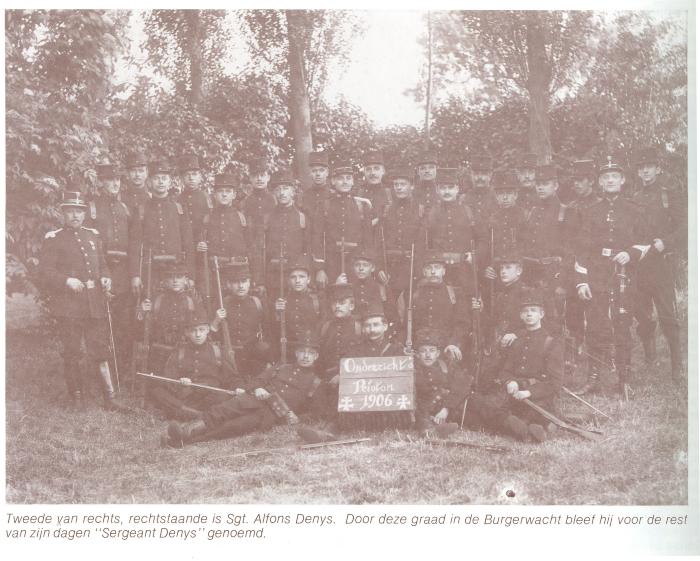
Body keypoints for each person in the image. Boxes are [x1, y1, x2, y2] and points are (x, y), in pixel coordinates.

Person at [164, 329, 323, 447]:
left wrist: (298, 418)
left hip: (268, 415)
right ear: (296, 353)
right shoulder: (280, 367)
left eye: (310, 353)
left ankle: (187, 442)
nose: (306, 356)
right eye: (302, 352)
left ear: (316, 356)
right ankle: (187, 431)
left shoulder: (315, 382)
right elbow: (255, 381)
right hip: (251, 400)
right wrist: (258, 388)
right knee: (222, 411)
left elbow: (316, 412)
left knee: (232, 427)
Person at [38, 191, 122, 410]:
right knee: (73, 350)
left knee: (100, 348)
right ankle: (76, 397)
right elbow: (44, 272)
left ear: (84, 214)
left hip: (94, 303)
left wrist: (106, 277)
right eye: (70, 211)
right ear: (63, 213)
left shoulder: (93, 235)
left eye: (79, 211)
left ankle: (110, 397)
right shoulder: (53, 238)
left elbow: (102, 264)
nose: (75, 215)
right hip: (69, 305)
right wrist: (66, 280)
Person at [575, 156, 648, 396]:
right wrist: (582, 280)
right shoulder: (589, 211)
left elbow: (646, 242)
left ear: (622, 180)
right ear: (599, 182)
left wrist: (630, 253)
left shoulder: (635, 209)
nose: (610, 180)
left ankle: (623, 379)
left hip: (625, 274)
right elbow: (581, 247)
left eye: (614, 176)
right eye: (605, 177)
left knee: (622, 323)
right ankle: (594, 377)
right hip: (597, 272)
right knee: (594, 325)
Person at [467, 290, 563, 443]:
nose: (529, 314)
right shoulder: (516, 340)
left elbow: (555, 383)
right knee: (486, 406)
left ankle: (527, 428)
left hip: (536, 397)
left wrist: (529, 393)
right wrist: (509, 381)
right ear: (520, 316)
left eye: (533, 311)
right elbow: (505, 370)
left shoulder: (551, 343)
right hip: (513, 393)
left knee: (533, 412)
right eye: (525, 311)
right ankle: (524, 429)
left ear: (542, 314)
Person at [631, 147, 685, 380]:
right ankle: (650, 358)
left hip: (662, 264)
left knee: (668, 317)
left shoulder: (669, 194)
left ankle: (677, 366)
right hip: (641, 265)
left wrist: (666, 243)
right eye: (641, 167)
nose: (645, 171)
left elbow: (686, 226)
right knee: (642, 315)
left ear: (657, 169)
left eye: (649, 167)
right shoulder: (634, 196)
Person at [148, 305, 243, 421]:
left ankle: (184, 413)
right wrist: (180, 382)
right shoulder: (179, 352)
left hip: (209, 397)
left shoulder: (218, 351)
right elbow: (169, 378)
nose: (198, 335)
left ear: (208, 330)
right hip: (186, 397)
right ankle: (200, 416)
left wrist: (238, 387)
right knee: (157, 391)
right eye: (193, 331)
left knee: (223, 396)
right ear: (187, 332)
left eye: (201, 330)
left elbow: (232, 378)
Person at [87, 163, 134, 374]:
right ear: (100, 183)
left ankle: (121, 369)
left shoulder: (125, 208)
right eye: (109, 180)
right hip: (101, 270)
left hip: (123, 271)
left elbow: (133, 243)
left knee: (123, 321)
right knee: (101, 322)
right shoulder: (92, 209)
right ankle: (101, 370)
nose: (114, 184)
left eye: (117, 180)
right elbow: (89, 244)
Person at [519, 164, 572, 332]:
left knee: (555, 319)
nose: (540, 187)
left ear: (555, 185)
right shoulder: (533, 211)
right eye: (538, 183)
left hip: (554, 274)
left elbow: (570, 252)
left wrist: (562, 281)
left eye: (545, 183)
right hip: (533, 274)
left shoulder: (564, 212)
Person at [129, 158, 195, 293]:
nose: (160, 182)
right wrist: (135, 275)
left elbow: (188, 244)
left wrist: (191, 275)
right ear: (149, 182)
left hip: (175, 270)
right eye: (156, 178)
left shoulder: (179, 209)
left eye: (164, 178)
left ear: (170, 182)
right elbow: (135, 244)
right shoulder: (141, 210)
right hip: (150, 272)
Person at [396, 251, 470, 362]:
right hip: (417, 350)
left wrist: (454, 344)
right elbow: (403, 324)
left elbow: (462, 323)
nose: (433, 271)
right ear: (424, 272)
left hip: (446, 348)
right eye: (429, 268)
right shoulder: (412, 294)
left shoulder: (454, 294)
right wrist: (403, 346)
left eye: (437, 267)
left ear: (444, 271)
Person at [311, 161, 375, 288]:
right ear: (333, 181)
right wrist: (320, 269)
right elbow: (317, 238)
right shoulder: (324, 205)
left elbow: (368, 240)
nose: (345, 182)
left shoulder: (362, 205)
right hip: (331, 261)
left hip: (356, 263)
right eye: (340, 179)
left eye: (348, 178)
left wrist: (367, 266)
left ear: (352, 182)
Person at [137, 261, 205, 376]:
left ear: (185, 279)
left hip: (185, 354)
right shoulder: (157, 300)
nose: (175, 281)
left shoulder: (193, 301)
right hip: (160, 354)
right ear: (165, 280)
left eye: (179, 277)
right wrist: (142, 313)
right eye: (171, 277)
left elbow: (202, 327)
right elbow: (141, 332)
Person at [197, 172, 251, 308]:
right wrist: (200, 246)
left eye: (228, 191)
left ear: (234, 195)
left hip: (237, 272)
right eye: (220, 191)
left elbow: (250, 247)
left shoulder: (241, 218)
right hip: (213, 272)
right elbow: (198, 247)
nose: (224, 195)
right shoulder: (207, 218)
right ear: (214, 195)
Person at [424, 167, 481, 293]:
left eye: (450, 188)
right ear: (437, 190)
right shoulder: (431, 213)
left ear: (457, 189)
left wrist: (474, 255)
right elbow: (424, 242)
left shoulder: (469, 211)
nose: (447, 191)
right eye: (443, 188)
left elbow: (482, 239)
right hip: (438, 272)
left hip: (464, 270)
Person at [211, 261, 269, 381]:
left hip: (253, 357)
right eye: (235, 282)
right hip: (228, 357)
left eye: (244, 281)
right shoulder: (222, 303)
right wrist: (216, 321)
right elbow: (212, 336)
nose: (241, 286)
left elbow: (269, 331)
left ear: (249, 283)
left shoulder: (258, 303)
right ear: (228, 284)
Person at [260, 168, 311, 297]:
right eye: (278, 189)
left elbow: (308, 249)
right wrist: (260, 280)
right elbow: (260, 251)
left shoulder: (302, 217)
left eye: (286, 188)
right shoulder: (267, 218)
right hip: (272, 275)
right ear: (273, 193)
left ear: (293, 191)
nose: (282, 193)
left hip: (295, 277)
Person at [413, 328, 470, 435]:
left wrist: (446, 409)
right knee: (418, 412)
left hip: (442, 410)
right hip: (420, 411)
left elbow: (463, 385)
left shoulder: (445, 367)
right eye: (423, 351)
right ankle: (432, 430)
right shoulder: (413, 370)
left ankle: (438, 427)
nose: (428, 355)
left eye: (432, 350)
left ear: (438, 353)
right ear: (417, 354)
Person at [379, 166, 425, 297]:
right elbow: (378, 241)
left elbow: (422, 244)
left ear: (412, 186)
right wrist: (379, 268)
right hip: (390, 267)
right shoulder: (386, 210)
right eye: (396, 184)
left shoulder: (420, 210)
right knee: (389, 306)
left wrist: (419, 271)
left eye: (403, 184)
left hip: (411, 268)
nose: (398, 188)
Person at [270, 253, 324, 363]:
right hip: (288, 352)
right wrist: (277, 313)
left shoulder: (317, 300)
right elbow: (273, 332)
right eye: (293, 277)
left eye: (302, 277)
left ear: (308, 279)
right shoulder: (282, 300)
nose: (297, 281)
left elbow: (322, 328)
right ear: (288, 280)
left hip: (310, 352)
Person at [336, 246, 388, 319]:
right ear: (353, 267)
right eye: (357, 265)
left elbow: (389, 312)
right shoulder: (348, 287)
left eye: (365, 265)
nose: (361, 268)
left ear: (373, 268)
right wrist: (338, 287)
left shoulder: (379, 287)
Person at [177, 153, 211, 243]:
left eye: (194, 174)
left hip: (203, 244)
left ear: (200, 177)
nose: (191, 178)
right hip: (183, 244)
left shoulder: (208, 198)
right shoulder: (177, 200)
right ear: (181, 178)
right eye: (187, 174)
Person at [462, 154, 496, 223]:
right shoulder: (465, 198)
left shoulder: (496, 197)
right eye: (476, 174)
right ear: (471, 175)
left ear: (490, 175)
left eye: (483, 174)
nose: (479, 178)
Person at [299, 150, 331, 224]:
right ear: (310, 173)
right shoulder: (304, 196)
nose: (318, 174)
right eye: (314, 171)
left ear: (327, 172)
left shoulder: (333, 195)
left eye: (321, 170)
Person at [358, 149, 392, 213]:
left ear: (383, 171)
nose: (372, 173)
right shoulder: (358, 194)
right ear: (364, 172)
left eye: (376, 168)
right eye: (368, 169)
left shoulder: (391, 194)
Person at [121, 149, 150, 216]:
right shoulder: (120, 198)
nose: (137, 174)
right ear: (127, 173)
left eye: (141, 171)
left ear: (147, 173)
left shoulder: (151, 198)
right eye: (133, 171)